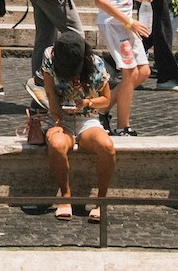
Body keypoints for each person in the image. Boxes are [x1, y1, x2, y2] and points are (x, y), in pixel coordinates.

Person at [43, 32, 115, 224]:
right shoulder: (50, 57)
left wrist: (86, 102)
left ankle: (102, 200)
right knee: (57, 144)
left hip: (88, 119)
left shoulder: (97, 65)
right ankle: (66, 197)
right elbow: (50, 93)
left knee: (107, 146)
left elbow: (106, 100)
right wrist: (57, 121)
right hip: (62, 117)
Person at [95, 0, 152, 136]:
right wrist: (128, 21)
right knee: (129, 72)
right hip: (114, 23)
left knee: (144, 71)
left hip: (127, 22)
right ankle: (123, 126)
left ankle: (103, 108)